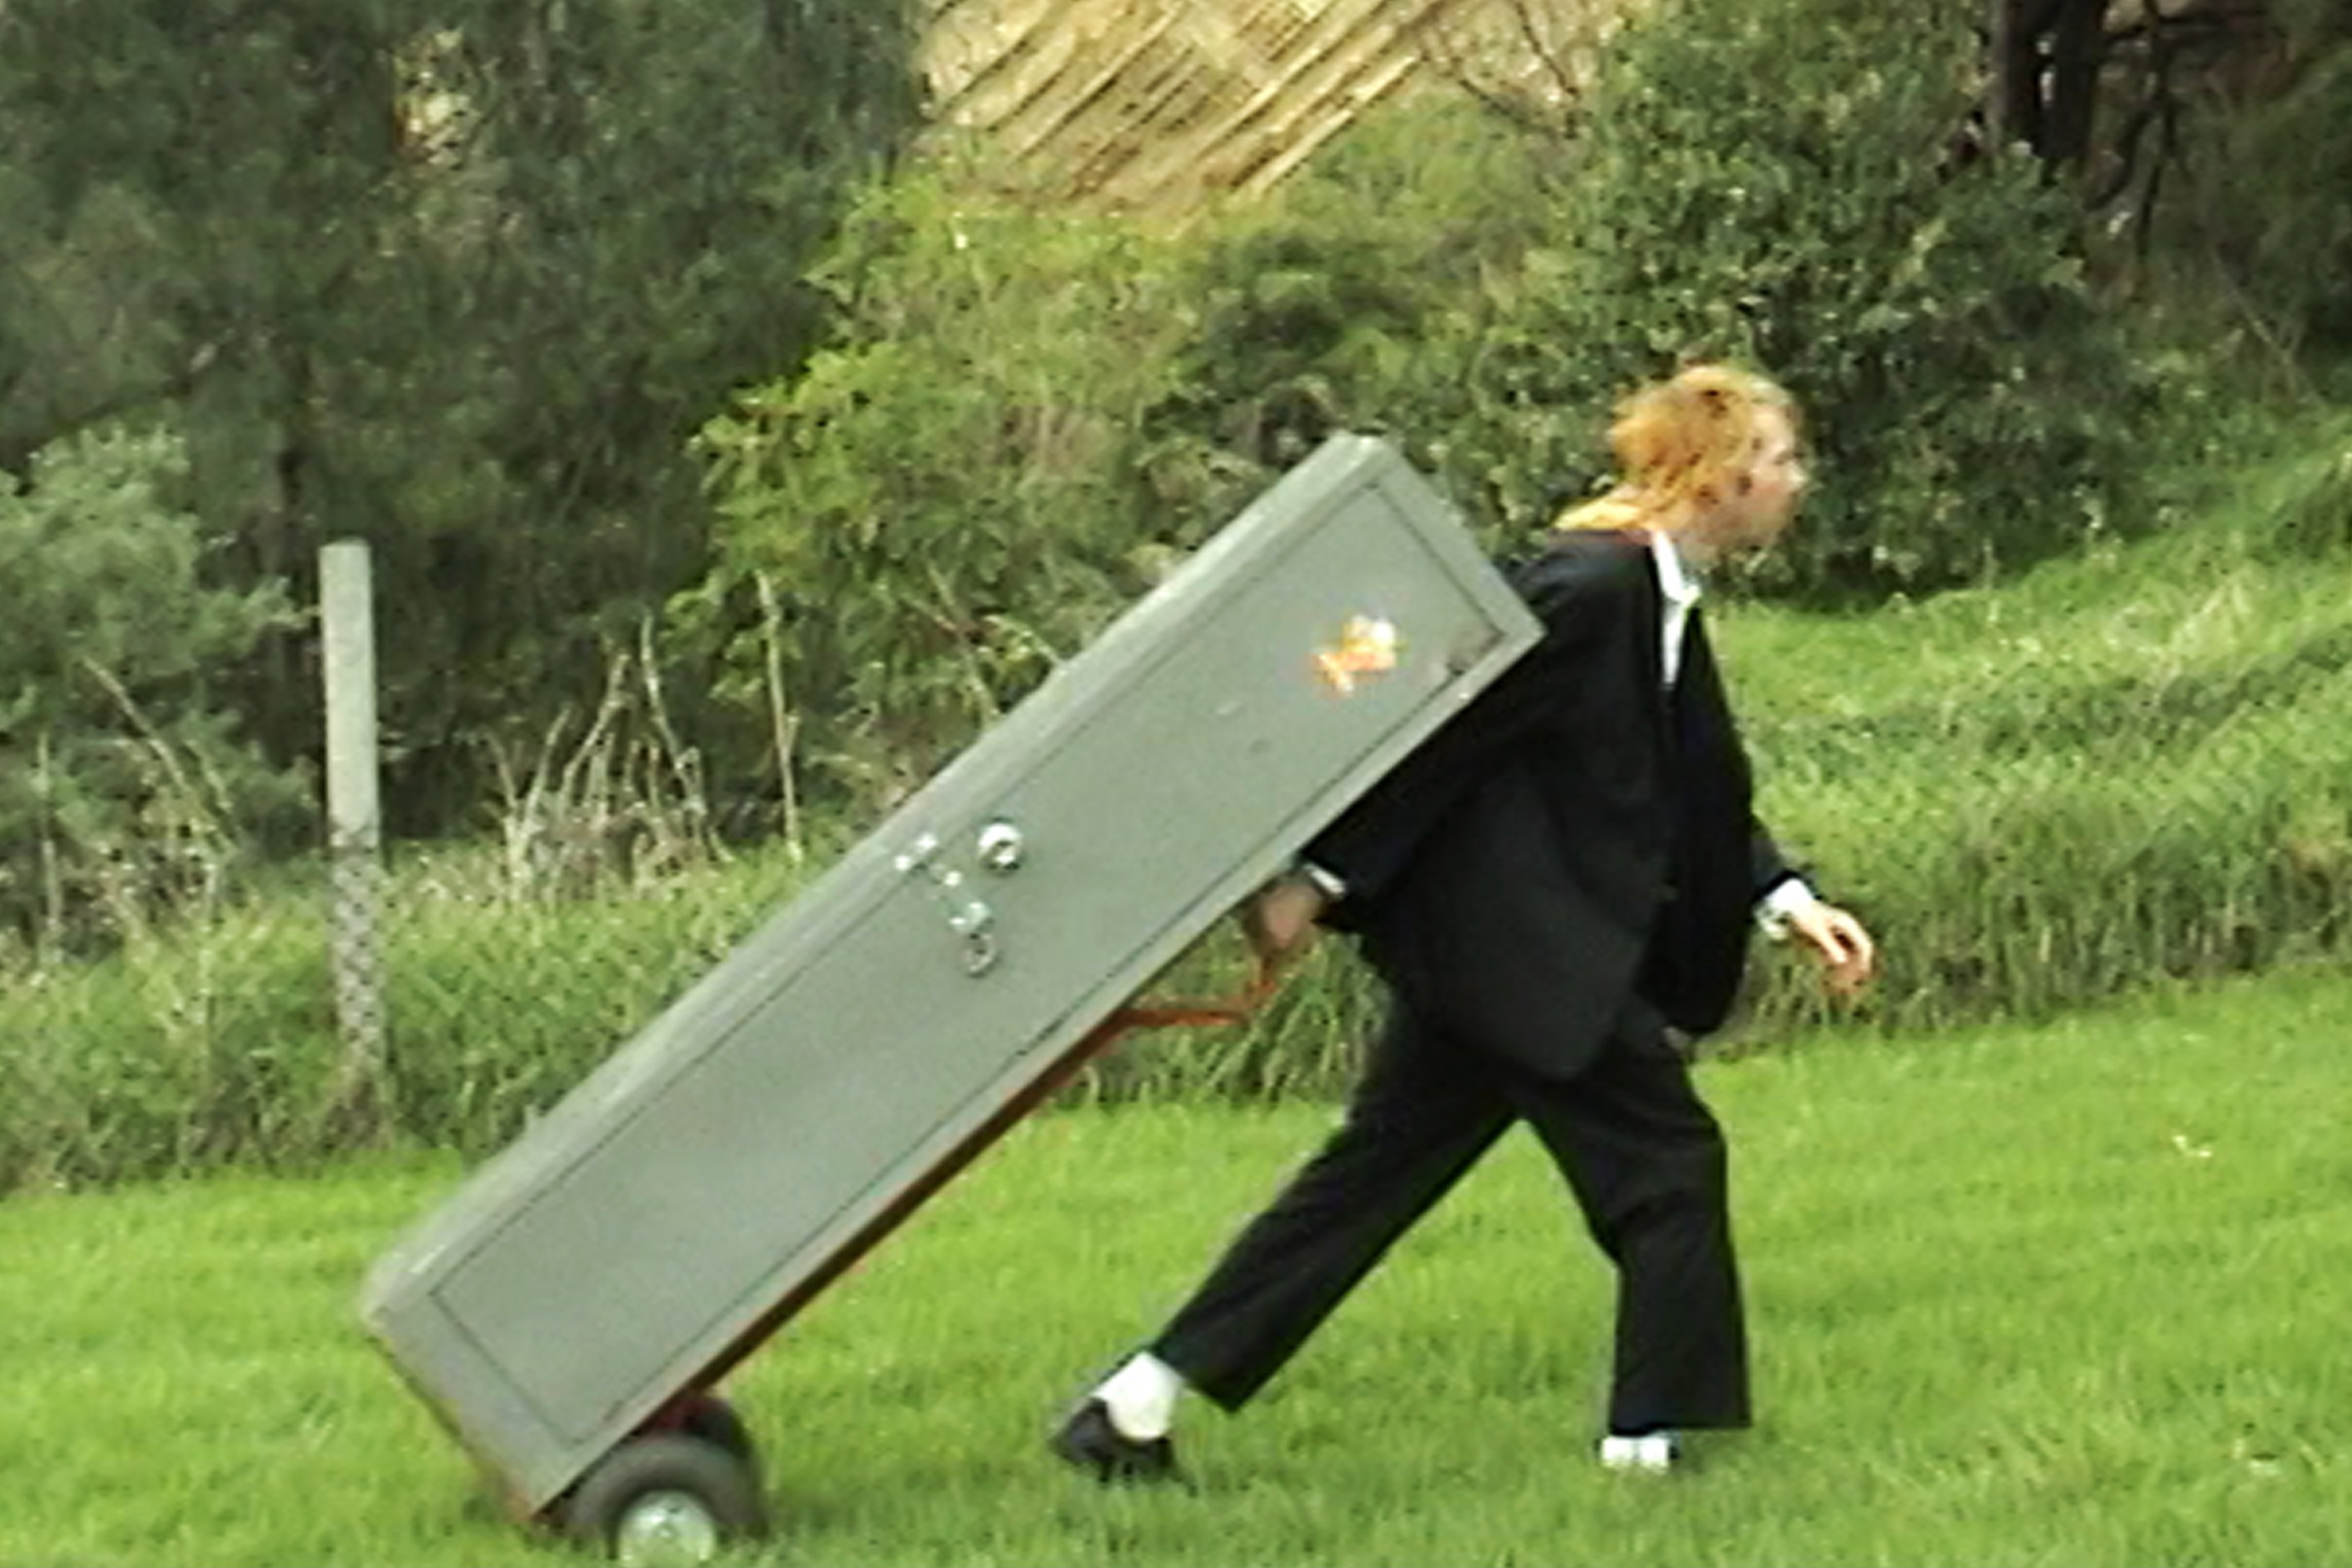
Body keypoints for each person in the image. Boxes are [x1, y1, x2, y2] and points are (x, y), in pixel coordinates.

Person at [1049, 362, 1877, 1483]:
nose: (1797, 479)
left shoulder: (1661, 595)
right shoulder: (1592, 587)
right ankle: (1645, 1447)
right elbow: (1441, 734)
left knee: (1368, 1181)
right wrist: (1318, 879)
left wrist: (1787, 899)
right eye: (1780, 459)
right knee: (1668, 1165)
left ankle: (1131, 1410)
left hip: (1493, 960)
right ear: (1719, 476)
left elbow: (1692, 784)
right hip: (1525, 957)